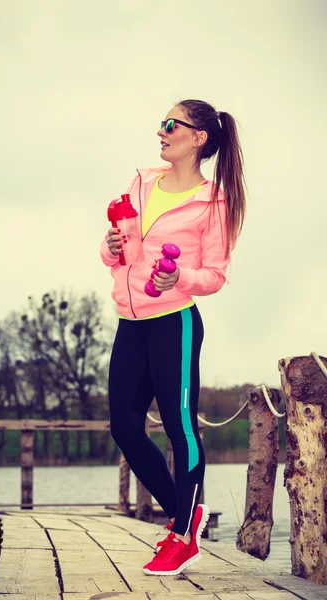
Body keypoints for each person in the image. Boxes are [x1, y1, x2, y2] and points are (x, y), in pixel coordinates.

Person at [100, 99, 246, 576]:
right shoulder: (141, 181)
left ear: (198, 138)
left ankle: (182, 534)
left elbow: (215, 274)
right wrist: (111, 245)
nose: (160, 132)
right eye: (161, 124)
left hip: (175, 322)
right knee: (124, 427)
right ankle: (188, 511)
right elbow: (115, 248)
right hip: (130, 322)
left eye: (170, 124)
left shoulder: (214, 201)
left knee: (181, 428)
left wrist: (177, 276)